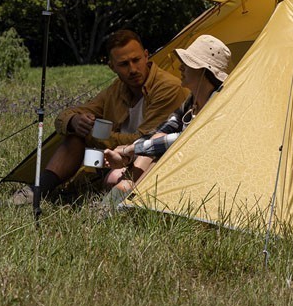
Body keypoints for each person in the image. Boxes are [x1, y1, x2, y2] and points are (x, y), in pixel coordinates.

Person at [11, 29, 186, 205]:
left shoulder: (166, 87)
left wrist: (93, 134)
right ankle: (39, 189)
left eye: (136, 60)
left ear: (146, 56)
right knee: (75, 136)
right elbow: (65, 116)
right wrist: (74, 122)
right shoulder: (117, 88)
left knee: (112, 177)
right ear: (112, 67)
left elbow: (145, 141)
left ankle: (97, 196)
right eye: (124, 64)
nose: (133, 69)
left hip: (147, 160)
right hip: (113, 159)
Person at [101, 34, 231, 205]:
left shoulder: (217, 105)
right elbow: (163, 130)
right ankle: (125, 196)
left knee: (156, 159)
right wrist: (128, 155)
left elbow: (183, 140)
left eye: (187, 64)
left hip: (204, 169)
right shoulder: (191, 101)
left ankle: (124, 199)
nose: (181, 68)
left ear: (203, 71)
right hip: (180, 161)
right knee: (151, 149)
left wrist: (130, 149)